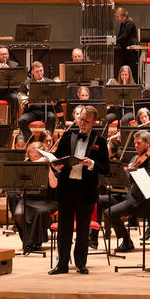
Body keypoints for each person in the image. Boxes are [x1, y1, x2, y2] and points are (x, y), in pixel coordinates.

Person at [49, 106, 110, 275]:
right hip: (66, 188)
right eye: (80, 119)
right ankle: (62, 265)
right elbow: (57, 157)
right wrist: (55, 165)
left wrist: (91, 164)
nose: (82, 123)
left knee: (83, 230)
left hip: (86, 191)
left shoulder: (100, 141)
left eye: (86, 121)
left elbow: (106, 168)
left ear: (93, 122)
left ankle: (81, 264)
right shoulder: (68, 135)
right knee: (64, 230)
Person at [95, 130, 150, 253]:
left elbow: (146, 186)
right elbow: (126, 180)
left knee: (109, 213)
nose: (136, 146)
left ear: (148, 143)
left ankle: (127, 242)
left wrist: (135, 172)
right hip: (127, 195)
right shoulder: (135, 158)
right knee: (98, 199)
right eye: (135, 143)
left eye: (138, 143)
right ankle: (93, 237)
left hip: (140, 201)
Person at [18, 62, 58, 138]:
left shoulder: (50, 82)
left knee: (51, 117)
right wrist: (27, 103)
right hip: (31, 111)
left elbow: (56, 98)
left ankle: (48, 139)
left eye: (41, 71)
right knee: (21, 120)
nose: (40, 73)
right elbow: (22, 98)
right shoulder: (26, 83)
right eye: (37, 71)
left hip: (46, 111)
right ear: (33, 72)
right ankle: (30, 139)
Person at [114, 7, 139, 79]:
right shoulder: (123, 24)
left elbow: (124, 36)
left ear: (122, 15)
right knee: (126, 70)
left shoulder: (129, 23)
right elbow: (120, 36)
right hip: (126, 50)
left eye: (117, 16)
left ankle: (136, 84)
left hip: (132, 51)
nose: (116, 18)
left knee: (133, 71)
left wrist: (114, 41)